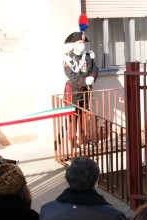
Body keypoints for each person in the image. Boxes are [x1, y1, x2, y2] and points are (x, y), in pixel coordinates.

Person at [64, 15, 98, 144]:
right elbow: (71, 75)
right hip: (74, 90)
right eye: (79, 42)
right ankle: (73, 142)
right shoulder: (68, 57)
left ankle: (84, 140)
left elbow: (95, 68)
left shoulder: (88, 55)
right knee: (73, 117)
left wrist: (92, 78)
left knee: (85, 116)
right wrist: (84, 81)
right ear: (74, 44)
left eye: (83, 42)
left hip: (86, 90)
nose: (82, 45)